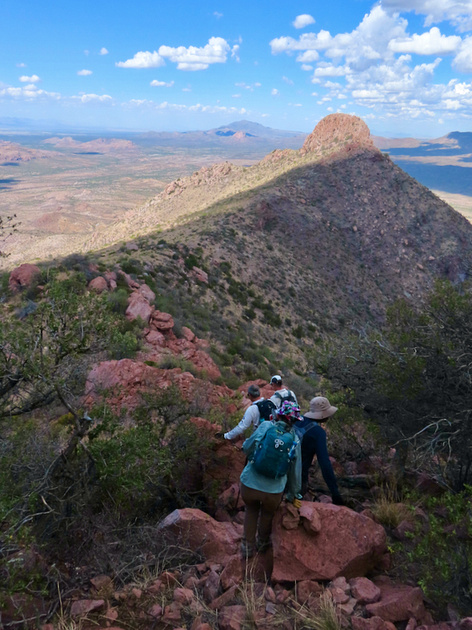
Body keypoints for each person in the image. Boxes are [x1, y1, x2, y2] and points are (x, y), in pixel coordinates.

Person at [239, 401, 303, 557]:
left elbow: (247, 447)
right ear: (294, 420)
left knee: (251, 510)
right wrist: (293, 495)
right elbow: (295, 472)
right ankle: (262, 543)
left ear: (279, 414)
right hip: (274, 490)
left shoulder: (266, 426)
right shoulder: (295, 439)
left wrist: (252, 455)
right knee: (267, 514)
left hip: (250, 483)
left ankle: (247, 547)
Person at [294, 396, 344, 505]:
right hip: (297, 477)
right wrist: (335, 493)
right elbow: (324, 463)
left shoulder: (298, 420)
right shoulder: (318, 432)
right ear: (323, 415)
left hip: (282, 472)